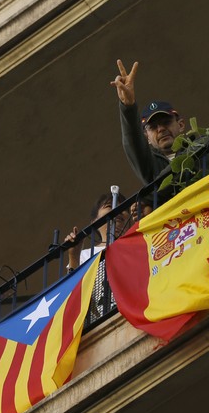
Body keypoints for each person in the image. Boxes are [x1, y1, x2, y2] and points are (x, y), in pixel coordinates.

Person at [111, 60, 185, 220]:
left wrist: (145, 199)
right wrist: (128, 106)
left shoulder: (199, 143)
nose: (161, 129)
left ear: (181, 125)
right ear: (147, 138)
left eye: (166, 122)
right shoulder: (149, 165)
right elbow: (132, 143)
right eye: (153, 127)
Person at [64, 191, 129, 272]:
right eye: (109, 206)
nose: (117, 209)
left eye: (123, 208)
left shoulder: (134, 247)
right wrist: (74, 257)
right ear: (95, 221)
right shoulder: (85, 255)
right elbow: (73, 284)